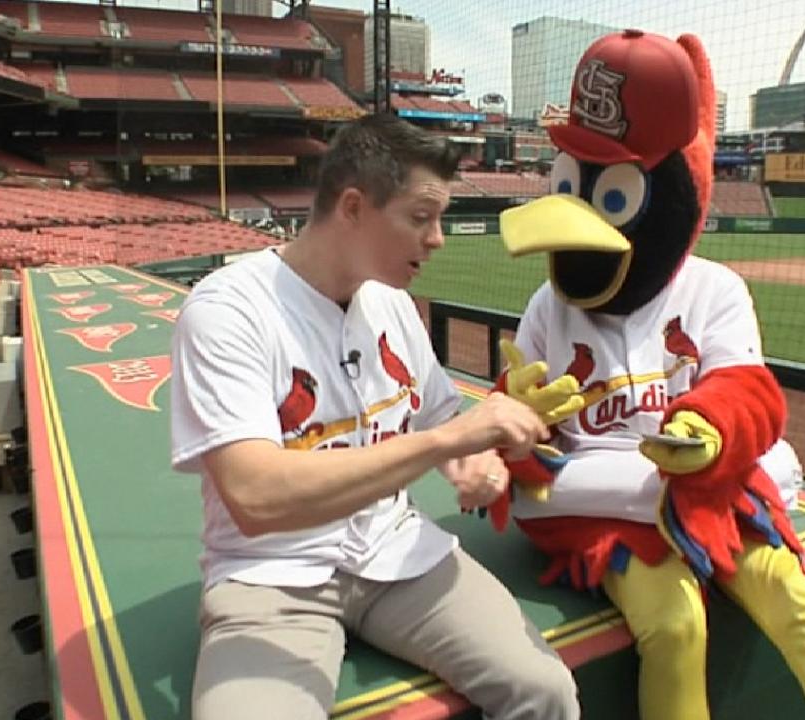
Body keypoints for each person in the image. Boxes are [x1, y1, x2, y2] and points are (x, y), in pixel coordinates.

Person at [486, 30, 805, 720]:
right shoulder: (548, 306)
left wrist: (707, 426)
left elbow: (746, 391)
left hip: (706, 494)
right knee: (676, 627)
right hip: (607, 514)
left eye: (611, 190)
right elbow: (521, 439)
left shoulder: (713, 289)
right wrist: (519, 415)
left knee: (799, 606)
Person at [170, 113, 583, 720]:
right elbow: (255, 497)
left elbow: (442, 421)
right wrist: (449, 442)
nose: (437, 238)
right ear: (353, 207)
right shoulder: (229, 309)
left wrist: (474, 462)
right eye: (421, 217)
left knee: (544, 690)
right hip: (271, 576)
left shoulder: (392, 303)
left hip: (399, 554)